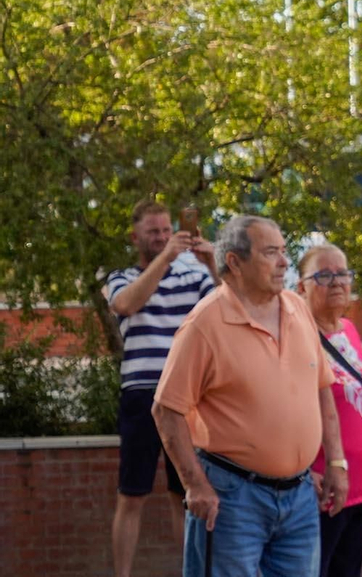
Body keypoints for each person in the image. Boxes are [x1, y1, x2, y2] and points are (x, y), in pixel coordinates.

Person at [152, 215, 348, 577]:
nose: (285, 262)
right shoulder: (204, 325)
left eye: (284, 251)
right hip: (231, 496)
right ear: (235, 263)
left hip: (301, 495)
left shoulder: (297, 308)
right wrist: (195, 485)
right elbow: (166, 410)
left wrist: (336, 462)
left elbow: (322, 388)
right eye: (271, 252)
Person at [107, 200, 218, 577]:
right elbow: (126, 303)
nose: (162, 238)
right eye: (153, 232)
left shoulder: (194, 279)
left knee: (185, 493)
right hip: (141, 395)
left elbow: (229, 308)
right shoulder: (120, 277)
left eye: (167, 231)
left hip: (186, 398)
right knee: (131, 494)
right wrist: (167, 258)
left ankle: (190, 572)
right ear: (135, 236)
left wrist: (213, 263)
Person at [299, 244, 362, 577]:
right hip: (326, 485)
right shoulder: (298, 336)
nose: (337, 281)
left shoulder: (349, 331)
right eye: (324, 275)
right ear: (302, 287)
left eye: (342, 273)